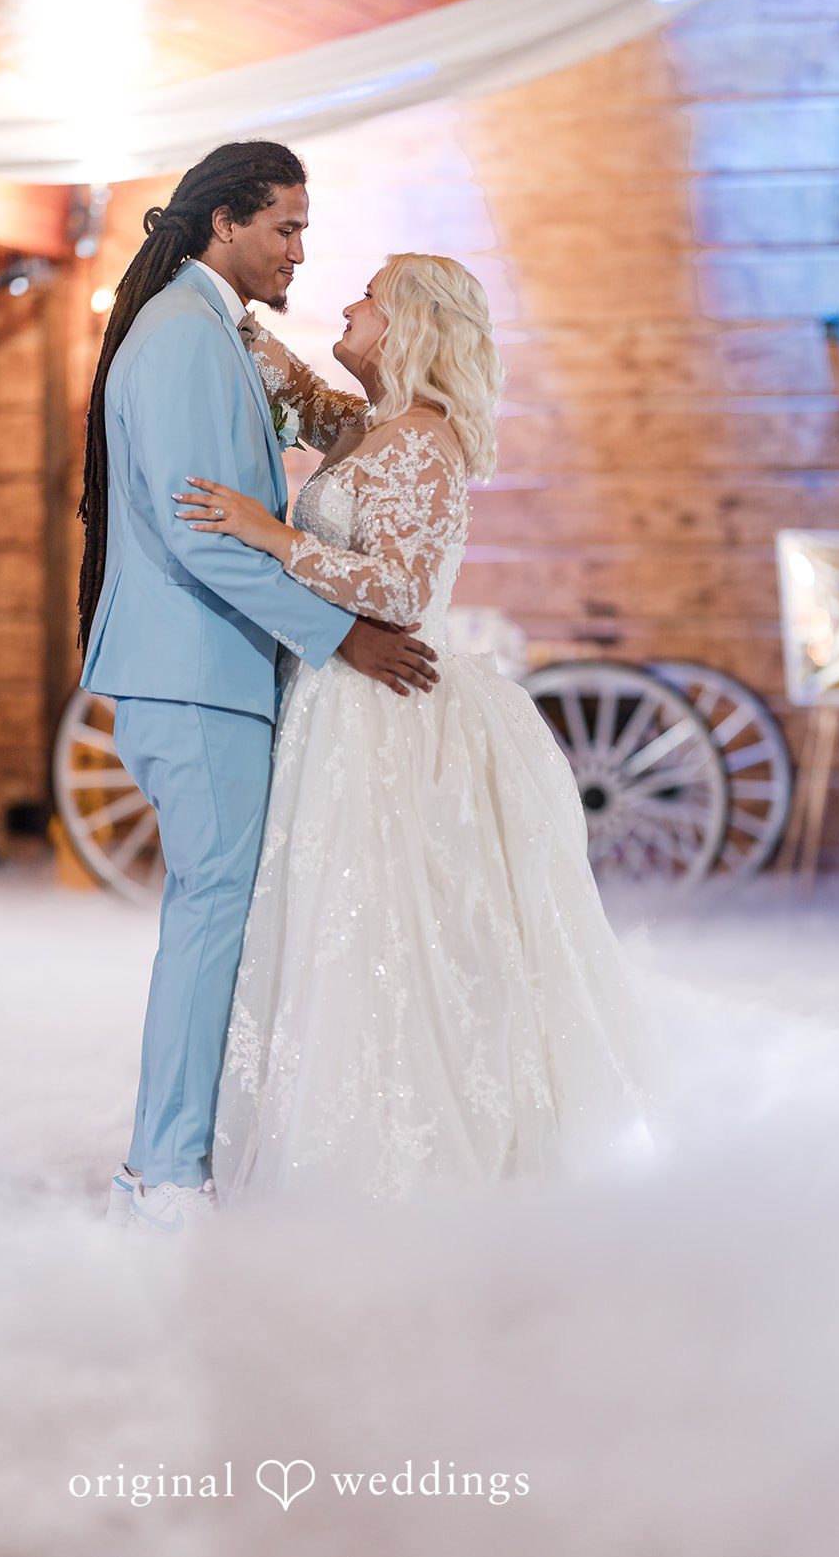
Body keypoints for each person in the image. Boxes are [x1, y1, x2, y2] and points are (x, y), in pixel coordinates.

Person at [172, 252, 656, 1211]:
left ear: (408, 326)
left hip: (384, 714)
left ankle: (407, 1164)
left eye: (368, 294)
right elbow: (303, 391)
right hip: (332, 704)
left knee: (384, 926)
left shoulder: (419, 444)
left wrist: (268, 535)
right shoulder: (372, 428)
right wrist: (225, 306)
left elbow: (399, 590)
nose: (347, 303)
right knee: (328, 922)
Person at [77, 142, 439, 1236]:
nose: (298, 250)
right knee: (212, 917)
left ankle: (191, 1152)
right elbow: (205, 541)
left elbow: (333, 433)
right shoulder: (185, 337)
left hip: (213, 671)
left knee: (226, 914)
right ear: (224, 223)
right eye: (284, 226)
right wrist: (344, 639)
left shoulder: (222, 334)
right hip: (193, 673)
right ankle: (162, 1173)